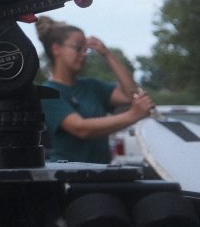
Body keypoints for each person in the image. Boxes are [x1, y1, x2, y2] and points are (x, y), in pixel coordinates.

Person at [36, 16, 154, 163]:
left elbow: (132, 94)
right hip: (68, 177)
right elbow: (80, 128)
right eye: (78, 48)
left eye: (86, 50)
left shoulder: (92, 86)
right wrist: (132, 115)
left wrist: (106, 53)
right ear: (56, 49)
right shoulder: (49, 92)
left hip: (101, 174)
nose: (84, 54)